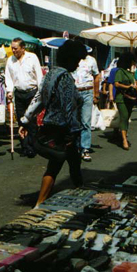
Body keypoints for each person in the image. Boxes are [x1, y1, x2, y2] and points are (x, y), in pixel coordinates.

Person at [19, 40, 87, 208]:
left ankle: (76, 193)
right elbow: (68, 107)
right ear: (71, 59)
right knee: (59, 165)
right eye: (77, 60)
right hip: (64, 129)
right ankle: (43, 202)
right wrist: (72, 132)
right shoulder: (65, 78)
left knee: (67, 164)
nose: (78, 64)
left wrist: (26, 119)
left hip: (51, 126)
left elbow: (39, 98)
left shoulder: (50, 74)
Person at [5, 37, 43, 158]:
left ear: (23, 48)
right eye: (12, 48)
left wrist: (41, 92)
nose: (13, 50)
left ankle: (32, 146)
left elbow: (39, 75)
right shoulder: (10, 60)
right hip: (19, 93)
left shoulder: (32, 57)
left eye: (16, 48)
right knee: (21, 120)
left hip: (32, 92)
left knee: (31, 121)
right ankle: (25, 146)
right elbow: (8, 77)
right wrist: (9, 91)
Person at [72, 51, 99, 162]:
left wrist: (96, 94)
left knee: (85, 121)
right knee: (74, 120)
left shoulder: (91, 60)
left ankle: (85, 148)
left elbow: (97, 76)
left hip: (87, 91)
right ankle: (74, 146)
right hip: (74, 92)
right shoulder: (73, 59)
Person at [114, 52, 137, 150]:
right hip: (121, 98)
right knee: (124, 116)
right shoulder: (120, 72)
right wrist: (128, 86)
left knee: (127, 117)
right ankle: (124, 139)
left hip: (130, 98)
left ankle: (123, 133)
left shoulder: (130, 73)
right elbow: (116, 84)